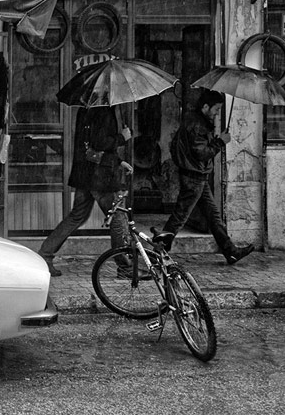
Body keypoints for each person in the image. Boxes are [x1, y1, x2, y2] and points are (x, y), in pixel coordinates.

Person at [153, 90, 254, 264]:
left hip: (197, 175)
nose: (216, 113)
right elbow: (202, 153)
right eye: (216, 109)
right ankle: (159, 251)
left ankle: (231, 252)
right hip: (194, 177)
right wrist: (220, 142)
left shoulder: (195, 121)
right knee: (180, 216)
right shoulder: (198, 125)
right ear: (205, 107)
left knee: (213, 216)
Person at [38, 106, 133, 277]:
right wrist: (122, 137)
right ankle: (126, 268)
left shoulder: (86, 109)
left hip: (86, 173)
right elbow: (100, 142)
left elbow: (92, 145)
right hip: (101, 178)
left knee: (76, 216)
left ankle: (45, 255)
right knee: (118, 218)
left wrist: (118, 161)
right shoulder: (104, 110)